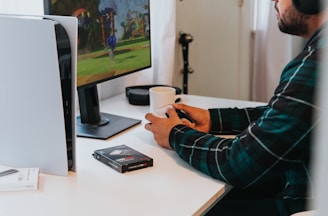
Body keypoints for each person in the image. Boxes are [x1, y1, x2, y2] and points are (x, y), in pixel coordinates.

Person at [145, 0, 328, 215]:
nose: (274, 2)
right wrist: (213, 120)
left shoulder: (315, 64)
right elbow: (287, 116)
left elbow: (237, 164)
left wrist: (175, 134)